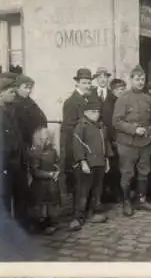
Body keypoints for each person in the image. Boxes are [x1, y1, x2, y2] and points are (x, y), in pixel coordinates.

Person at [113, 65, 151, 216]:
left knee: (144, 172)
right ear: (131, 80)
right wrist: (134, 129)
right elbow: (117, 122)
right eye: (137, 79)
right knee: (127, 173)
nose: (140, 82)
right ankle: (126, 202)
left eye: (142, 79)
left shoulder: (149, 99)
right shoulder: (123, 99)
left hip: (145, 143)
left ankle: (141, 200)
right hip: (127, 143)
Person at [70, 98, 113, 230]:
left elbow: (105, 144)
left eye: (98, 112)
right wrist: (83, 162)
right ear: (86, 113)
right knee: (83, 192)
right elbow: (77, 146)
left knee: (97, 190)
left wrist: (106, 160)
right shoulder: (81, 126)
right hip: (87, 164)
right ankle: (78, 217)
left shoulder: (101, 127)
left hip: (99, 163)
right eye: (93, 112)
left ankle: (92, 212)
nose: (96, 114)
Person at [60, 68, 95, 213]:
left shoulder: (88, 99)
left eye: (89, 82)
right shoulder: (71, 102)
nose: (87, 85)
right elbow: (69, 129)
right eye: (84, 83)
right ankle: (77, 213)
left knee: (85, 179)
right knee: (77, 180)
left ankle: (84, 209)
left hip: (87, 144)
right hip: (76, 145)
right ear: (77, 83)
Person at [0, 77, 28, 227]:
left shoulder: (12, 109)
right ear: (0, 93)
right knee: (5, 199)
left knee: (21, 196)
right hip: (5, 165)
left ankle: (22, 228)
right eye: (11, 92)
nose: (14, 95)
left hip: (18, 162)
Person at [28, 128, 61, 235]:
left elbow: (58, 163)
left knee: (52, 204)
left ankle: (51, 223)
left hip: (51, 184)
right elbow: (35, 171)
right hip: (40, 185)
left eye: (47, 138)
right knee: (39, 205)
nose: (45, 141)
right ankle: (39, 222)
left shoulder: (53, 151)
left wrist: (57, 172)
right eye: (43, 139)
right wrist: (49, 174)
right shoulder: (35, 153)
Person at [100, 78, 126, 204]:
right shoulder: (109, 104)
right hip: (113, 140)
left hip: (117, 139)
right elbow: (109, 124)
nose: (122, 91)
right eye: (120, 89)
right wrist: (114, 139)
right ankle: (113, 193)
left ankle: (115, 192)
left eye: (123, 89)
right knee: (114, 168)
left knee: (117, 167)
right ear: (114, 90)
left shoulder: (117, 101)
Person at [13, 74, 48, 148]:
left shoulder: (28, 100)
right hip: (20, 142)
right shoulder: (14, 102)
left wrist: (43, 128)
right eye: (25, 87)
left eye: (30, 88)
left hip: (31, 141)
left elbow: (41, 116)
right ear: (17, 87)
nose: (29, 91)